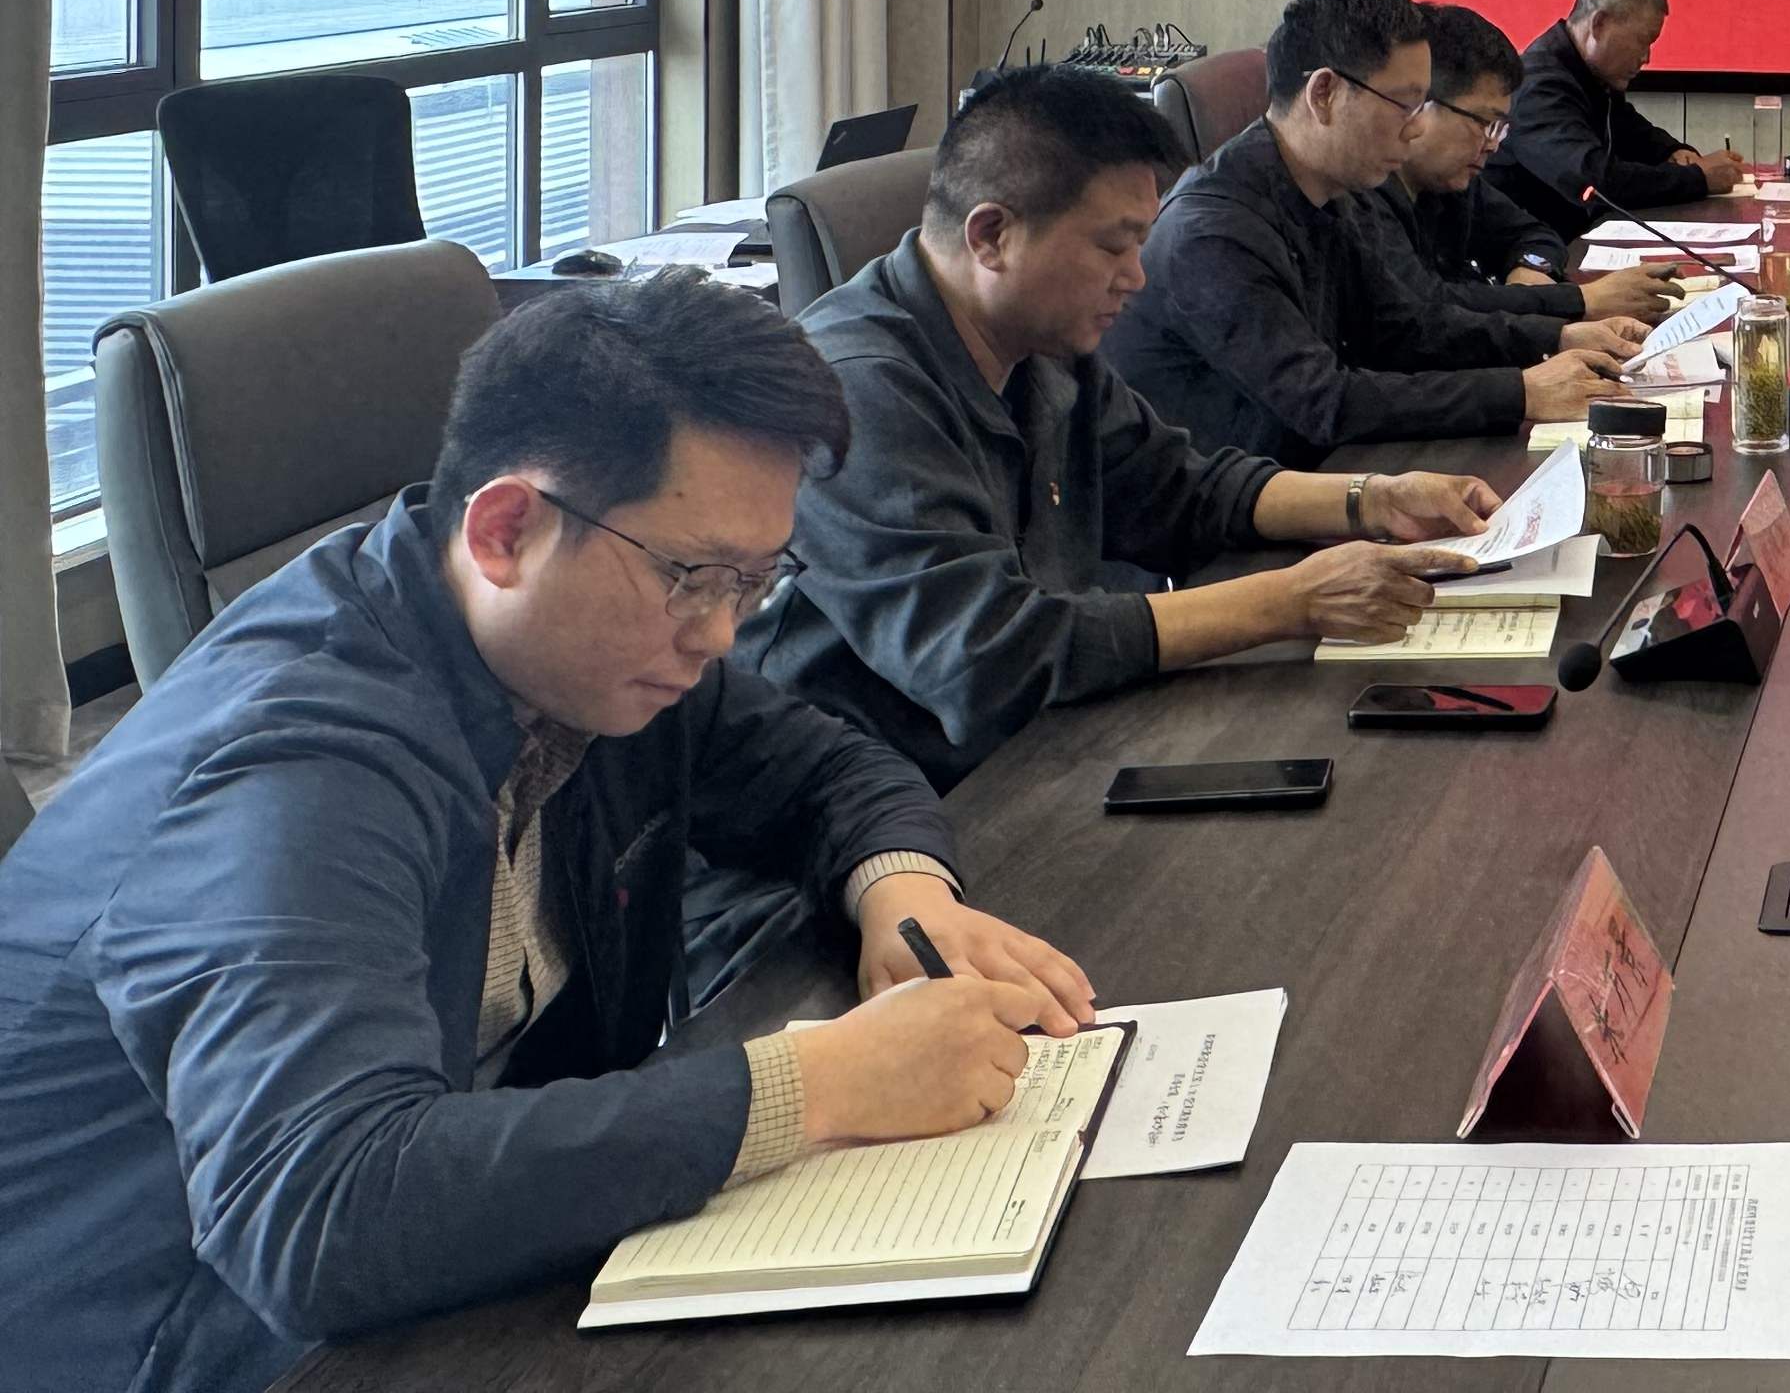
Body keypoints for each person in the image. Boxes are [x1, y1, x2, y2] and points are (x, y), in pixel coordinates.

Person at [0, 276, 1096, 1393]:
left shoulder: (590, 654)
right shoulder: (294, 765)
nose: (720, 633)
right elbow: (316, 1210)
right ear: (506, 530)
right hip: (174, 1340)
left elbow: (826, 769)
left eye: (755, 582)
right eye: (693, 577)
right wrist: (815, 1084)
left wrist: (902, 895)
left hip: (457, 1265)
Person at [742, 65, 1501, 790]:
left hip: (1041, 741)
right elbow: (985, 655)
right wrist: (1292, 601)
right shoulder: (856, 388)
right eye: (1113, 246)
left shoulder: (1039, 340)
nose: (1136, 277)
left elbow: (1179, 488)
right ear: (991, 236)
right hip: (890, 805)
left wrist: (1373, 499)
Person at [1107, 0, 1627, 465]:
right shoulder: (1212, 234)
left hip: (1319, 468)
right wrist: (1522, 392)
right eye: (1405, 105)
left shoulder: (1333, 187)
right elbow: (1324, 402)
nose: (1416, 129)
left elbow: (1407, 327)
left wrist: (1558, 337)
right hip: (1240, 507)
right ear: (1324, 94)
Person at [1399, 3, 1684, 328]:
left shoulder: (1454, 182)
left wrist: (1532, 270)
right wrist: (1577, 301)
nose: (1492, 144)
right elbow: (1429, 304)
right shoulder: (1369, 199)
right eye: (1483, 122)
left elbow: (1533, 234)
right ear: (1416, 107)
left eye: (1498, 127)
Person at [1504, 0, 1743, 219]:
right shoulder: (1537, 86)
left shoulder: (1591, 75)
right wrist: (1698, 178)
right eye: (1642, 41)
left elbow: (1631, 130)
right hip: (1537, 239)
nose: (1646, 57)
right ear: (1599, 24)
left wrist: (1672, 152)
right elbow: (1596, 182)